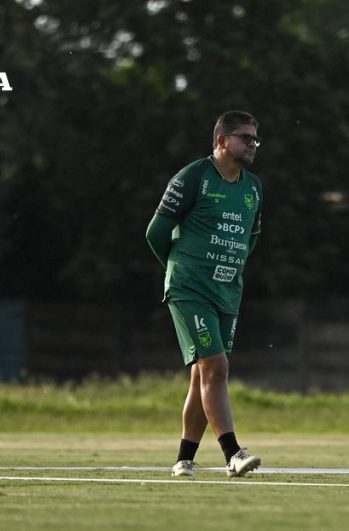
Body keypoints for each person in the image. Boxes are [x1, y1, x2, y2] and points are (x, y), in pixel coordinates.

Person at [145, 111, 264, 478]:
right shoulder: (193, 176)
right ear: (222, 140)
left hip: (227, 291)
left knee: (203, 374)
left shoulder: (253, 188)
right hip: (190, 289)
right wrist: (181, 269)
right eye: (245, 137)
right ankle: (233, 453)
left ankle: (184, 458)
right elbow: (155, 232)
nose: (253, 144)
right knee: (217, 367)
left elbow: (250, 239)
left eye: (255, 138)